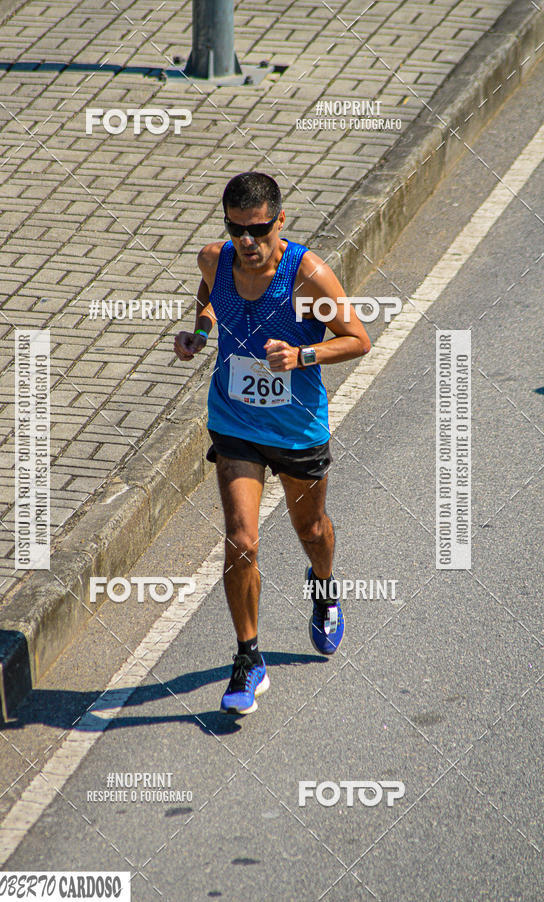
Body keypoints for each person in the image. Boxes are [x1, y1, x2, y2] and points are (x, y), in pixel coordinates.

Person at [174, 171, 371, 715]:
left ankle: (325, 588)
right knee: (241, 541)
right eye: (237, 229)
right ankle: (248, 657)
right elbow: (209, 296)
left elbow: (358, 340)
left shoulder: (308, 277)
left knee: (310, 529)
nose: (247, 242)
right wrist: (202, 332)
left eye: (258, 229)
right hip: (235, 420)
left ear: (280, 221)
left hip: (296, 427)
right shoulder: (215, 259)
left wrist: (304, 356)